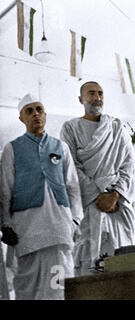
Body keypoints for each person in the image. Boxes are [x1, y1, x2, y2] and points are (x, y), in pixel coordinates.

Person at [0, 94, 83, 299]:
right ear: (21, 118)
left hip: (59, 230)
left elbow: (73, 187)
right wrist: (6, 225)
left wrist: (74, 220)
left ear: (45, 115)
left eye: (39, 109)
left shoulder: (60, 147)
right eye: (29, 111)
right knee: (28, 290)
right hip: (26, 232)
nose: (35, 114)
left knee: (59, 288)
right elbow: (5, 190)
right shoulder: (12, 149)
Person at [60, 81, 135, 276]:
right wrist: (97, 195)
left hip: (116, 205)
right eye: (91, 94)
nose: (97, 98)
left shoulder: (117, 127)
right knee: (89, 265)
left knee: (123, 262)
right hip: (87, 205)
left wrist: (116, 194)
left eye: (100, 93)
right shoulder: (70, 128)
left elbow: (129, 163)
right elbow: (70, 166)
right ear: (81, 99)